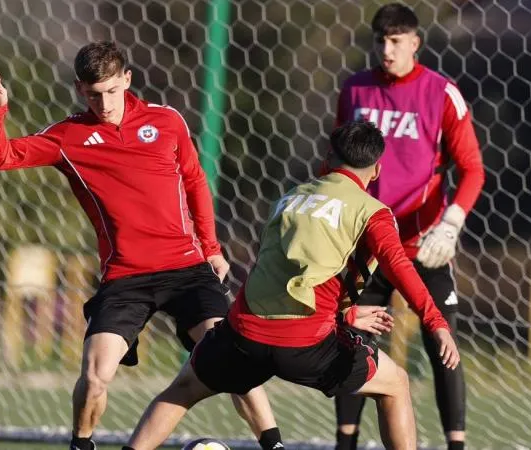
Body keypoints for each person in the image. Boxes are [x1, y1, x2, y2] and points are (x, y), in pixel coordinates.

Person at [0, 41, 282, 450]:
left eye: (110, 91)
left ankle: (274, 445)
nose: (103, 103)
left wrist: (212, 247)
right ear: (79, 89)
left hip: (187, 269)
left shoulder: (167, 122)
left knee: (228, 356)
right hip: (126, 277)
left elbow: (194, 181)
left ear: (127, 79)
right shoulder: (69, 136)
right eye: (92, 94)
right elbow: (2, 158)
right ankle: (81, 444)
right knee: (95, 374)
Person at [123, 120, 460, 450]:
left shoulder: (290, 199)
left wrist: (346, 314)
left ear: (326, 160)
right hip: (306, 346)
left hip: (245, 334)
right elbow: (399, 267)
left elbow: (282, 275)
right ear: (376, 171)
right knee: (397, 384)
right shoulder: (372, 212)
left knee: (182, 388)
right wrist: (436, 323)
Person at [330, 4, 485, 450]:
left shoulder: (441, 92)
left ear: (415, 43)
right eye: (381, 40)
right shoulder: (355, 89)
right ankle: (345, 442)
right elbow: (338, 160)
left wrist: (451, 223)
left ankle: (455, 443)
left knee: (443, 343)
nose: (386, 49)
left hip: (425, 245)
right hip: (366, 244)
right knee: (352, 340)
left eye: (396, 41)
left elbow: (473, 169)